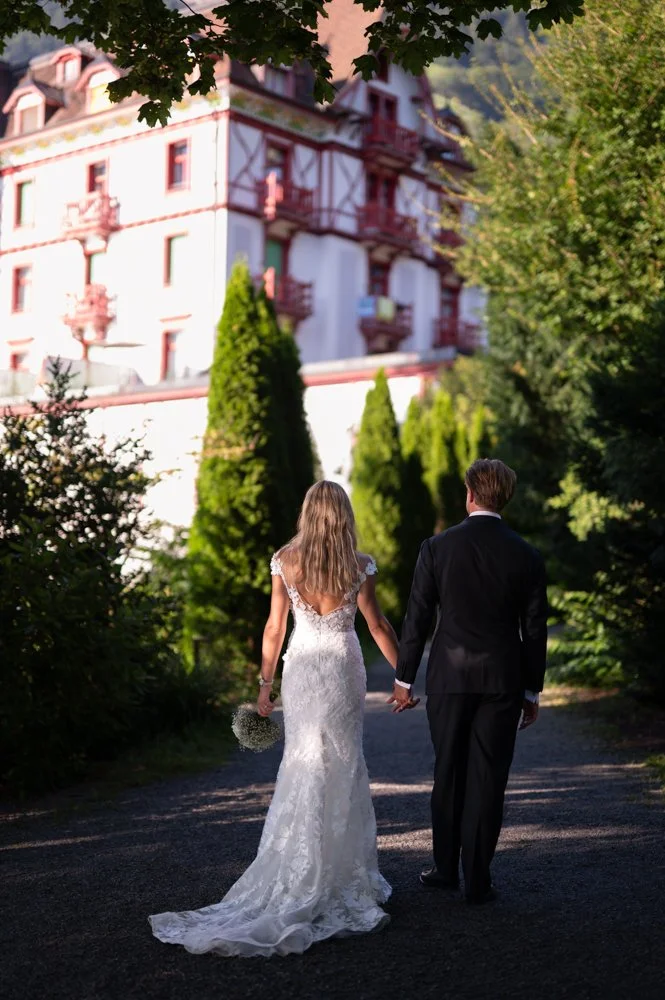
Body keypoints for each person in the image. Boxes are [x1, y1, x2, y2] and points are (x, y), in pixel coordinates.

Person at [150, 480, 414, 957]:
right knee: (343, 761)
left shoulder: (286, 559)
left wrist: (264, 686)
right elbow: (376, 625)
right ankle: (341, 873)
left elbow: (275, 627)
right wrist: (403, 678)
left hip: (304, 668)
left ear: (308, 513)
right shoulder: (359, 564)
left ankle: (299, 868)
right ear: (345, 515)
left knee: (303, 761)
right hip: (341, 666)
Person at [389, 458, 548, 904]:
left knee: (449, 771)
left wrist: (404, 679)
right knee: (489, 777)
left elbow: (417, 617)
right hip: (502, 679)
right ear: (505, 498)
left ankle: (444, 869)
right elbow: (534, 630)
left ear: (470, 494)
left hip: (449, 676)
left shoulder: (436, 548)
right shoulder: (527, 554)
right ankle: (478, 879)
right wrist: (531, 690)